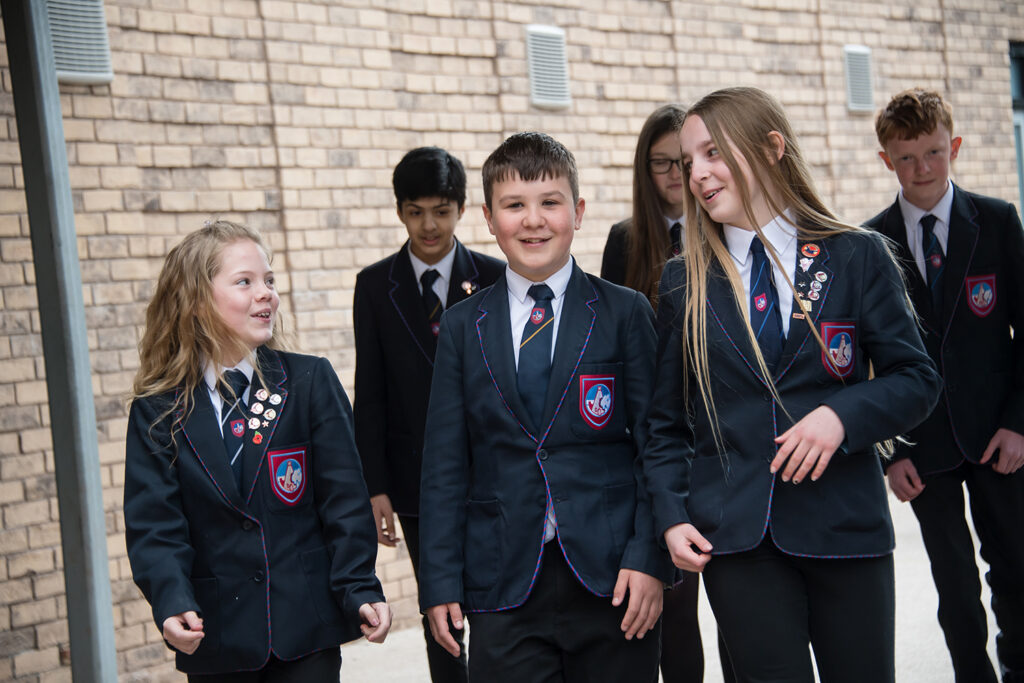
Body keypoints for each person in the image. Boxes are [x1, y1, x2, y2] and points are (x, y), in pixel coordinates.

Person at [643, 87, 942, 683]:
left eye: (712, 154)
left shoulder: (858, 256)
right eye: (687, 161)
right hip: (738, 539)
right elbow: (664, 422)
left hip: (845, 529)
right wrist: (671, 515)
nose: (696, 175)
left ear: (773, 147)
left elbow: (917, 380)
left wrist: (842, 416)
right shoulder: (683, 282)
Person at [419, 132, 672, 682]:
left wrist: (650, 558)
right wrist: (439, 580)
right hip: (502, 579)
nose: (533, 221)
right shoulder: (464, 326)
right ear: (489, 218)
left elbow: (658, 444)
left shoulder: (624, 312)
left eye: (550, 202)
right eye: (514, 206)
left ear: (577, 212)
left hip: (614, 580)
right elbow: (443, 463)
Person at [123, 220, 391, 681]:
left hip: (306, 628)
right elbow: (156, 525)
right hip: (219, 635)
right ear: (196, 300)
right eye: (244, 282)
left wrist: (359, 585)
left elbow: (343, 500)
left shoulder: (308, 382)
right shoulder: (158, 410)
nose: (265, 293)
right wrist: (171, 601)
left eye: (269, 280)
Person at [866, 88, 1024, 683]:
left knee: (1015, 567)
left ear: (953, 147)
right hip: (922, 448)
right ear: (885, 160)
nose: (922, 169)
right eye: (905, 158)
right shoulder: (871, 243)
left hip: (998, 437)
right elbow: (863, 364)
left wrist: (1019, 422)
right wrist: (889, 452)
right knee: (953, 583)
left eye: (933, 153)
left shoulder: (999, 222)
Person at [353, 146, 504, 682]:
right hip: (415, 481)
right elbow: (369, 391)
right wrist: (375, 486)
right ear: (400, 211)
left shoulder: (494, 276)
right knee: (439, 606)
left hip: (490, 472)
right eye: (416, 211)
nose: (429, 224)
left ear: (461, 209)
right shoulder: (375, 286)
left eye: (441, 210)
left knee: (495, 600)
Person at [601, 103, 730, 683]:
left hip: (705, 434)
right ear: (644, 171)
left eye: (685, 161)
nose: (677, 176)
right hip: (642, 430)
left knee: (702, 599)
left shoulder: (726, 231)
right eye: (662, 164)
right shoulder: (625, 239)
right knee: (662, 600)